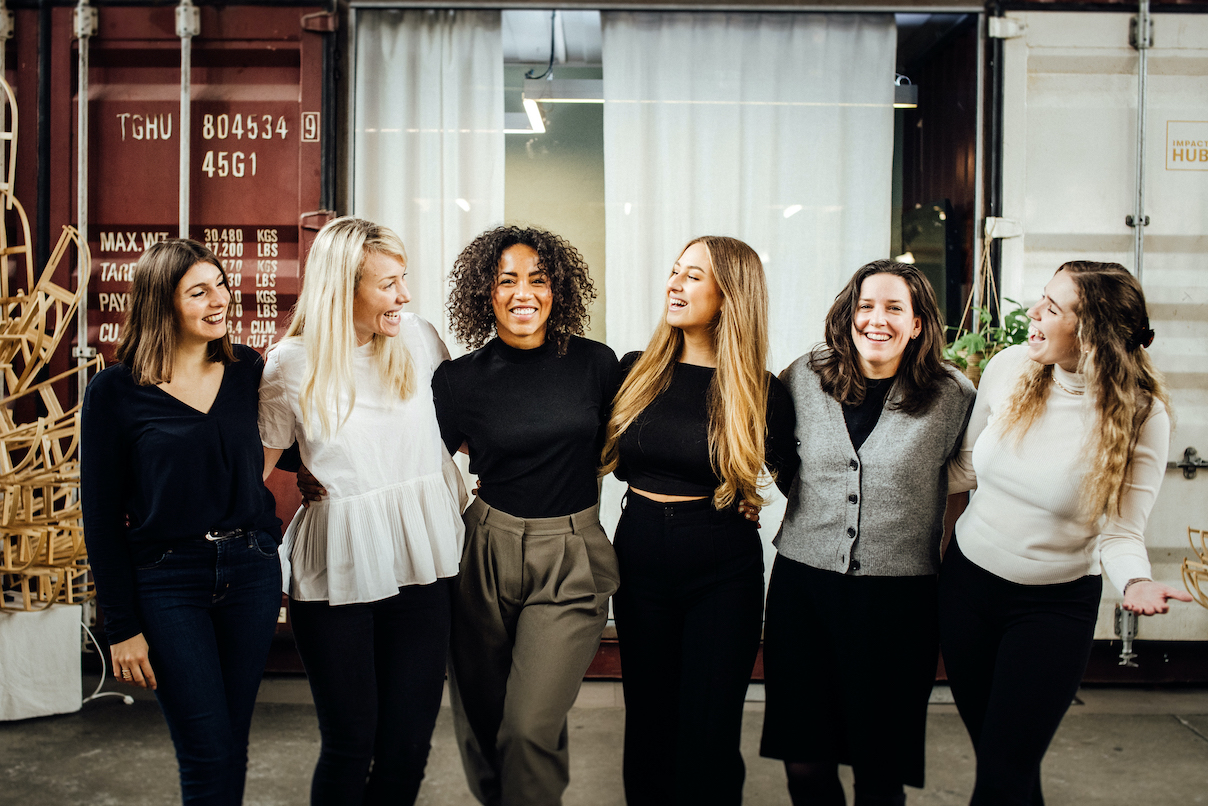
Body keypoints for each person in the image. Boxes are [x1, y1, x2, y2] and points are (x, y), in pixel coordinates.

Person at [941, 260, 1191, 805]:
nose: (1033, 313)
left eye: (1052, 308)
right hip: (966, 590)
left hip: (1051, 610)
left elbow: (1122, 532)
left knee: (1004, 773)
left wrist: (1136, 583)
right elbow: (964, 469)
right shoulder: (1010, 368)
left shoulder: (1141, 416)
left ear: (1092, 332)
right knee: (1001, 761)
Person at [258, 217, 465, 805]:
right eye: (388, 284)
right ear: (342, 288)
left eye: (404, 279)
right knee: (351, 742)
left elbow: (466, 429)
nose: (404, 296)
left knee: (407, 745)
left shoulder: (420, 339)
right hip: (337, 568)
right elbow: (255, 469)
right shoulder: (290, 364)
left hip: (422, 560)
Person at [758, 260, 976, 806]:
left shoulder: (954, 396)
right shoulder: (803, 376)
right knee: (804, 764)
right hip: (802, 591)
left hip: (899, 600)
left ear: (919, 323)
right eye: (865, 306)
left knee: (880, 772)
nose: (876, 320)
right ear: (848, 314)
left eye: (894, 308)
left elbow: (959, 486)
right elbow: (782, 459)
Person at [81, 239, 283, 805]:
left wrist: (318, 475)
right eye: (199, 291)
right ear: (161, 304)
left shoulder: (248, 370)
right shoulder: (116, 391)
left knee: (231, 742)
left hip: (250, 571)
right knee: (206, 749)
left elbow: (278, 443)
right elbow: (99, 516)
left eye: (220, 284)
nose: (219, 300)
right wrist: (119, 626)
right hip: (167, 582)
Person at [599, 235, 798, 805]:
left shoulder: (761, 392)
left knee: (708, 731)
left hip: (721, 566)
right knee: (649, 723)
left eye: (692, 276)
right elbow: (587, 451)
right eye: (674, 272)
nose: (674, 284)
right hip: (637, 556)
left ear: (729, 293)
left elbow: (806, 477)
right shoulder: (635, 371)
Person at [431, 225, 620, 806]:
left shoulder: (595, 364)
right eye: (506, 280)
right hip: (483, 550)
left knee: (528, 726)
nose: (523, 294)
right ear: (484, 293)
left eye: (538, 280)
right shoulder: (457, 381)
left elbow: (630, 443)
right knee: (486, 726)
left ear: (557, 290)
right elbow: (431, 455)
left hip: (569, 555)